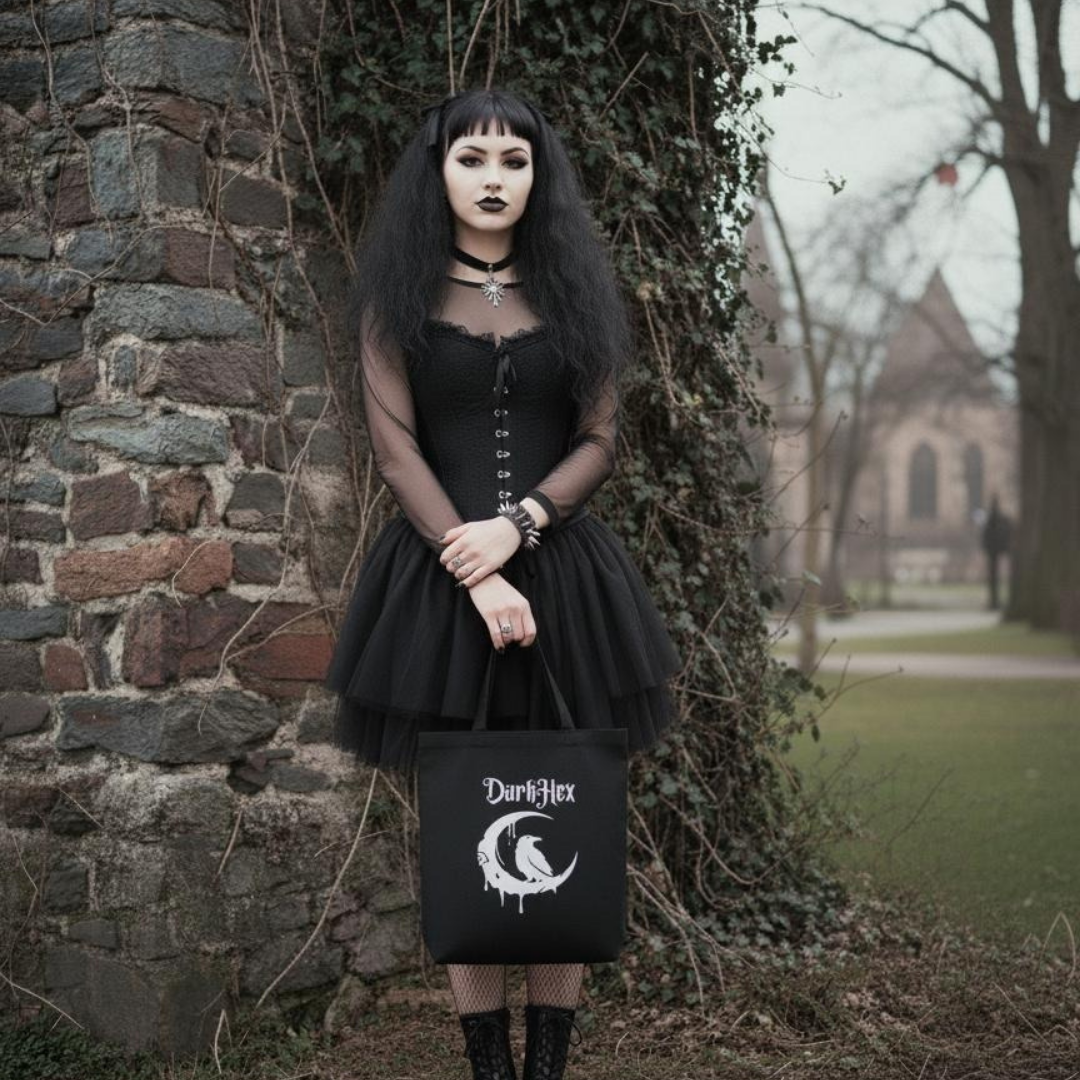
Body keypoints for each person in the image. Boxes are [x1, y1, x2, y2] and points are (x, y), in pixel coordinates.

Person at [322, 87, 683, 1080]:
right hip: (439, 590)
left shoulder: (574, 293)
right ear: (438, 170)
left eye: (513, 161)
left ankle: (549, 1066)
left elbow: (601, 438)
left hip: (566, 582)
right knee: (463, 818)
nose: (493, 178)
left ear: (538, 176)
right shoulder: (396, 296)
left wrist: (520, 524)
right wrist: (477, 569)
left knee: (564, 807)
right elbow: (395, 453)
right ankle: (487, 1065)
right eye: (472, 158)